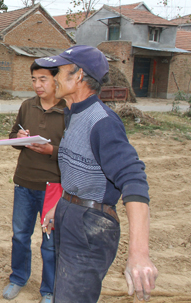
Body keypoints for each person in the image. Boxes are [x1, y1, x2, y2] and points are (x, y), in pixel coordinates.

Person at [36, 45, 158, 303]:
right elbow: (80, 171)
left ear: (78, 76)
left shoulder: (103, 122)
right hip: (71, 214)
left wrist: (139, 253)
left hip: (90, 226)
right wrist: (60, 205)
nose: (54, 77)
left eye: (58, 71)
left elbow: (134, 179)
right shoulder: (73, 114)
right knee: (63, 293)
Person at [2, 62, 66, 303]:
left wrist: (51, 149)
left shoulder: (67, 110)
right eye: (33, 80)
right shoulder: (27, 105)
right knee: (20, 235)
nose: (37, 85)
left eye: (43, 79)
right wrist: (18, 139)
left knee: (50, 243)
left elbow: (74, 153)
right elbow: (12, 137)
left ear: (56, 80)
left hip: (53, 187)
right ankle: (18, 278)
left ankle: (49, 290)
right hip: (24, 182)